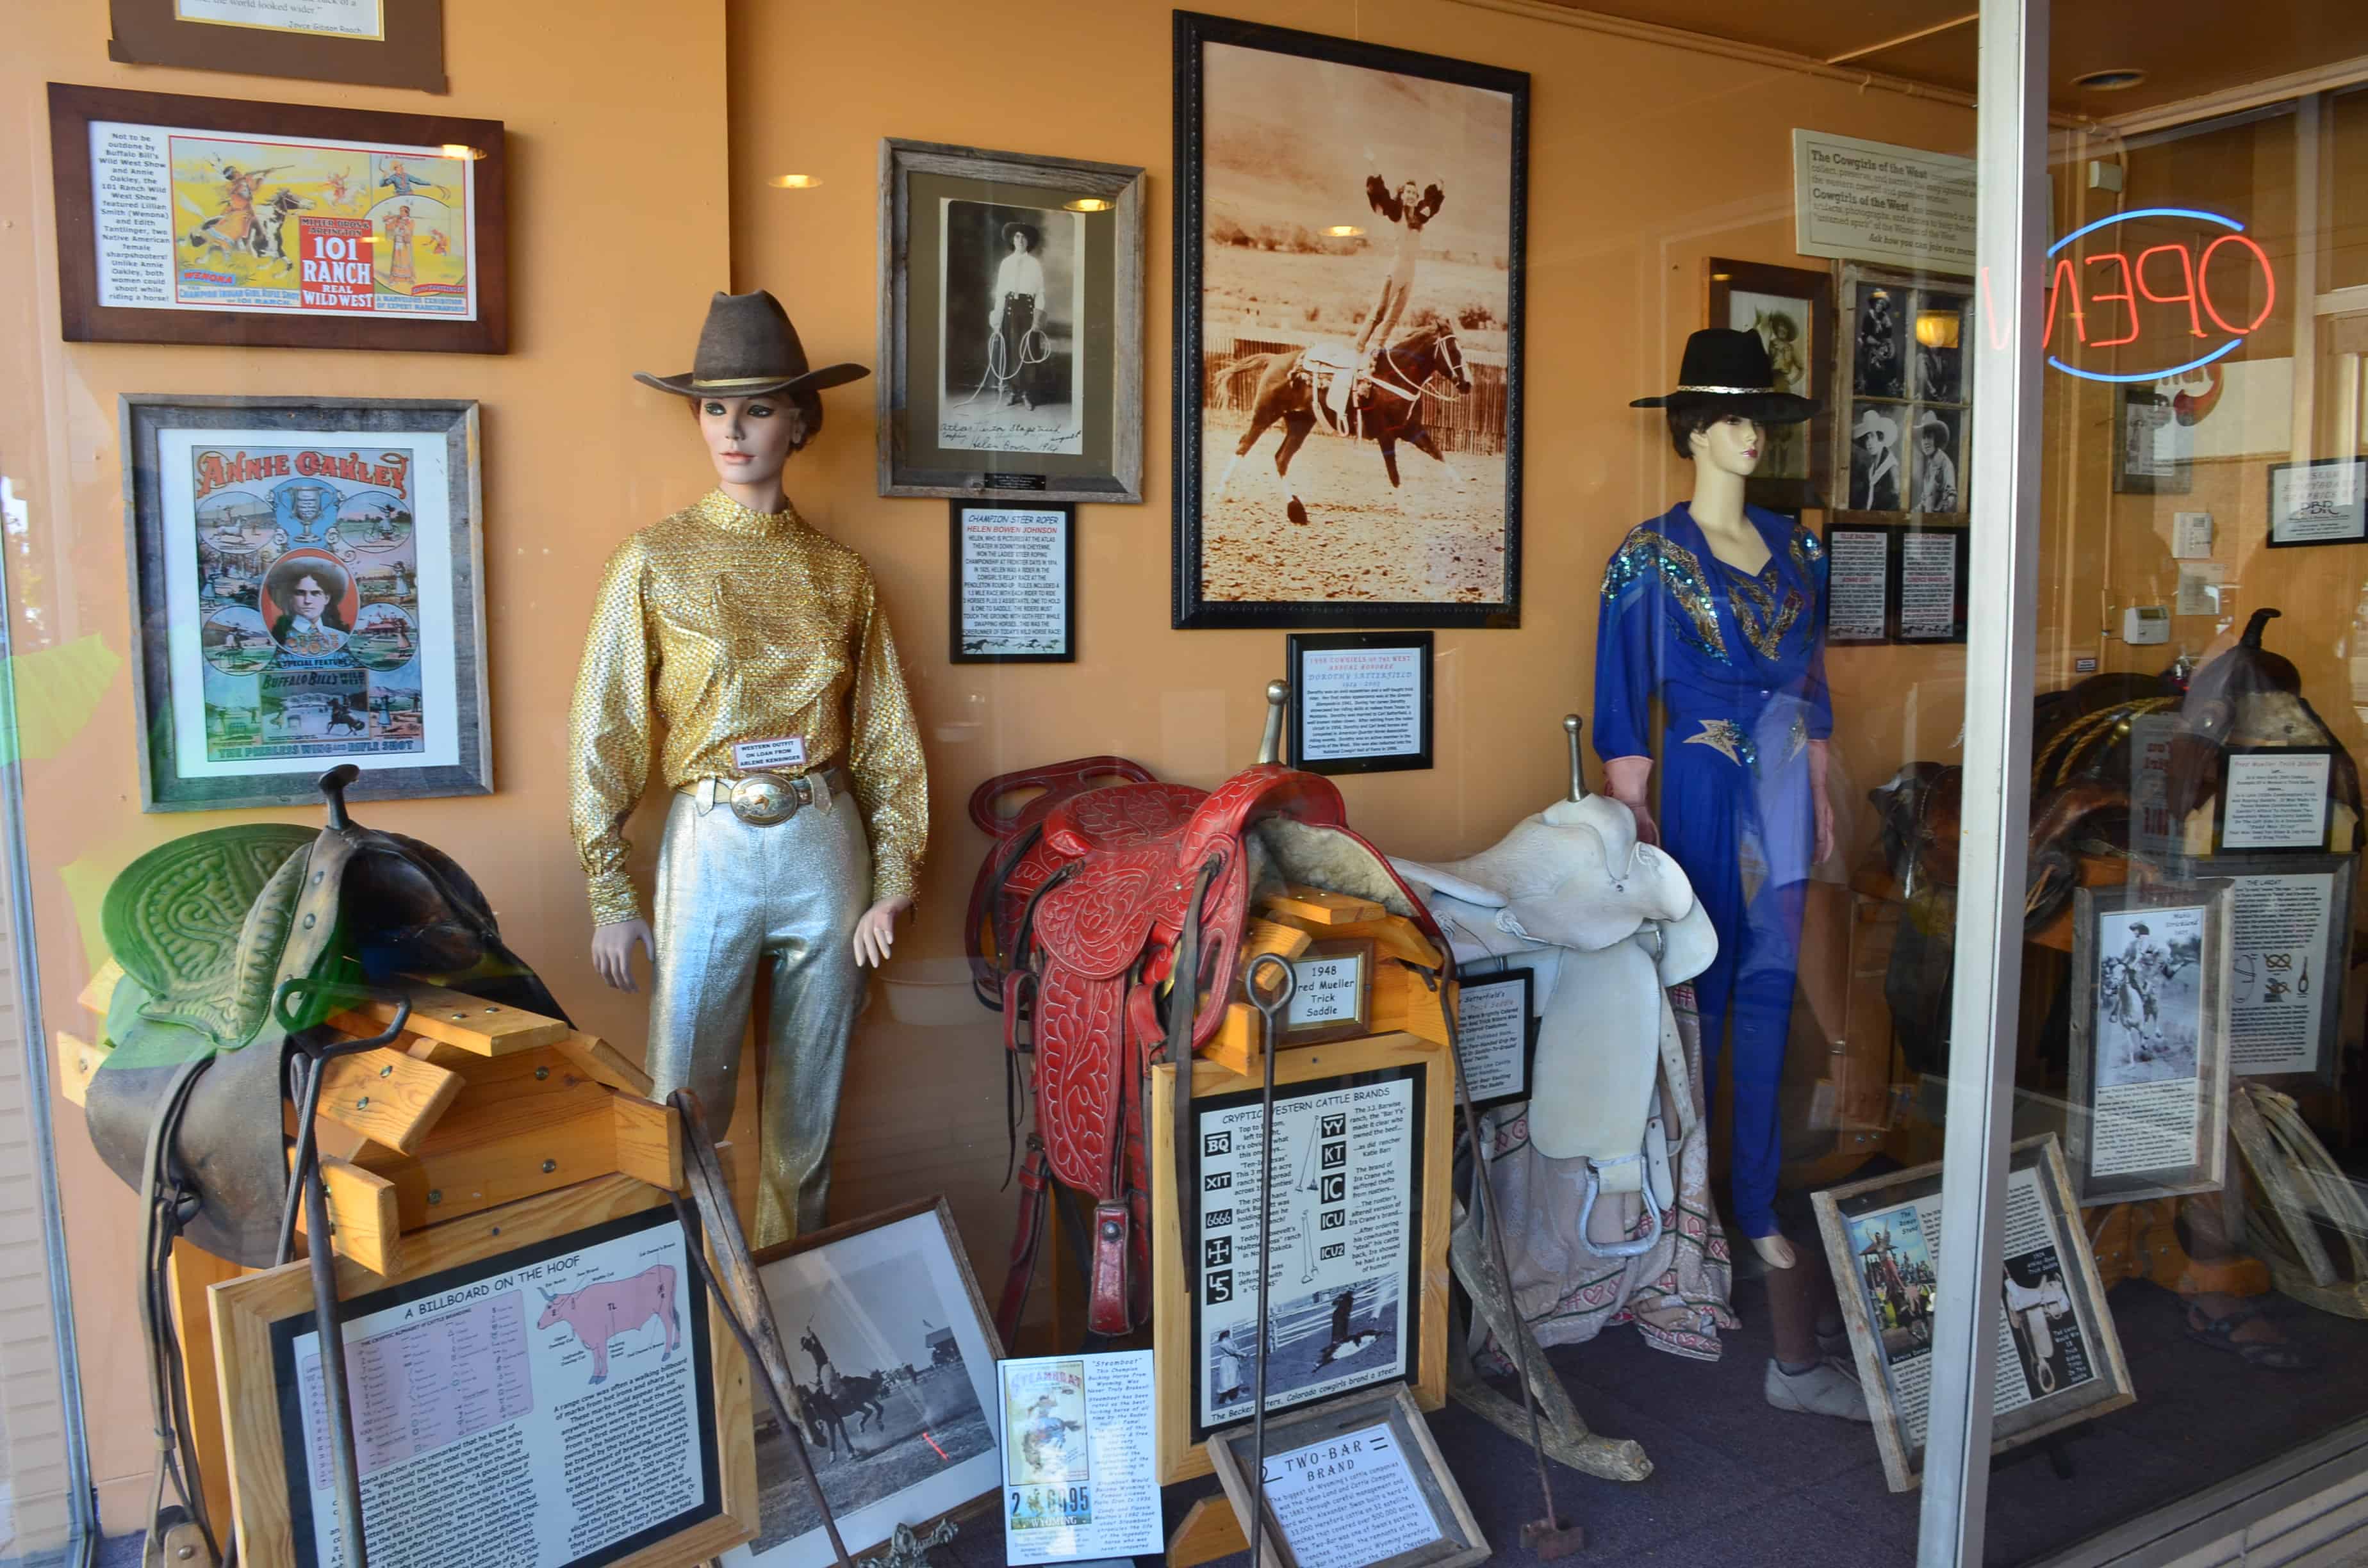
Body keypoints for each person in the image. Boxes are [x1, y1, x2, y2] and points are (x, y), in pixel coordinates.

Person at [572, 290, 926, 1246]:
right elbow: (604, 730)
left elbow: (888, 741)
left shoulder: (842, 573)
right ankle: (690, 1312)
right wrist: (610, 890)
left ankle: (792, 1294)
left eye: (760, 407)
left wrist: (893, 884)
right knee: (681, 1099)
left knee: (809, 1120)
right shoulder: (652, 562)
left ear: (800, 422)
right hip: (712, 840)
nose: (734, 429)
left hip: (825, 843)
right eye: (715, 407)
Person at [1602, 327, 1860, 1420]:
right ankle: (1684, 1216)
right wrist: (1628, 804)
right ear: (1695, 430)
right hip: (1702, 780)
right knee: (1693, 998)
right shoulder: (1647, 556)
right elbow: (1622, 691)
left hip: (1785, 777)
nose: (1759, 435)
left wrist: (1825, 768)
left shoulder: (1796, 551)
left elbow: (1814, 676)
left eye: (1767, 419)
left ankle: (1755, 1203)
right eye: (1740, 418)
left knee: (1766, 997)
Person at [1327, 156, 1445, 425]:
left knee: (1396, 314)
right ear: (1402, 195)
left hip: (1411, 271)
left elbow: (1433, 205)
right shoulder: (1396, 212)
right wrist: (1375, 170)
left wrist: (1439, 184)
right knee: (1380, 310)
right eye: (1408, 193)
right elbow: (1379, 195)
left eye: (1416, 193)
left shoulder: (1420, 216)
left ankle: (1378, 348)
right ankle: (1359, 346)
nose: (1413, 196)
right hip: (1397, 268)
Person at [990, 222, 1049, 410]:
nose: (1020, 240)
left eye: (1023, 237)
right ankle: (1014, 392)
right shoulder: (1006, 264)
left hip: (1028, 308)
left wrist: (1037, 319)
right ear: (1012, 240)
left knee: (1029, 350)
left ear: (1028, 241)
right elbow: (1000, 293)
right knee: (1012, 350)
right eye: (1017, 236)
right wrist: (997, 319)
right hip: (1010, 309)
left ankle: (1027, 394)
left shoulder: (1034, 264)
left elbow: (1040, 292)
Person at [264, 556, 352, 655]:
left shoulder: (342, 638)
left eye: (315, 593)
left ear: (327, 599)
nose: (308, 601)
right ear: (291, 598)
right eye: (300, 593)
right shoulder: (277, 639)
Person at [1849, 407, 1900, 510]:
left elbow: (1895, 505)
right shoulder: (1872, 469)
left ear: (1880, 437)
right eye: (1866, 438)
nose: (1869, 442)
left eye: (1872, 436)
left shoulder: (1891, 468)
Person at [1914, 412, 1958, 512]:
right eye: (1923, 438)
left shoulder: (1946, 464)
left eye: (1929, 437)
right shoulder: (1930, 464)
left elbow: (1951, 499)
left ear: (1936, 439)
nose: (1925, 442)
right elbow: (1925, 500)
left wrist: (1938, 512)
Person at [386, 204, 416, 290]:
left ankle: (408, 278)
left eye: (403, 211)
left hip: (405, 244)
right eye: (400, 211)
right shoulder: (397, 220)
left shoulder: (411, 221)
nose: (401, 212)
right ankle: (395, 279)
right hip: (398, 242)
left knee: (406, 260)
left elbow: (410, 230)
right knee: (397, 259)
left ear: (407, 212)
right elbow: (390, 227)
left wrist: (404, 227)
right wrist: (389, 221)